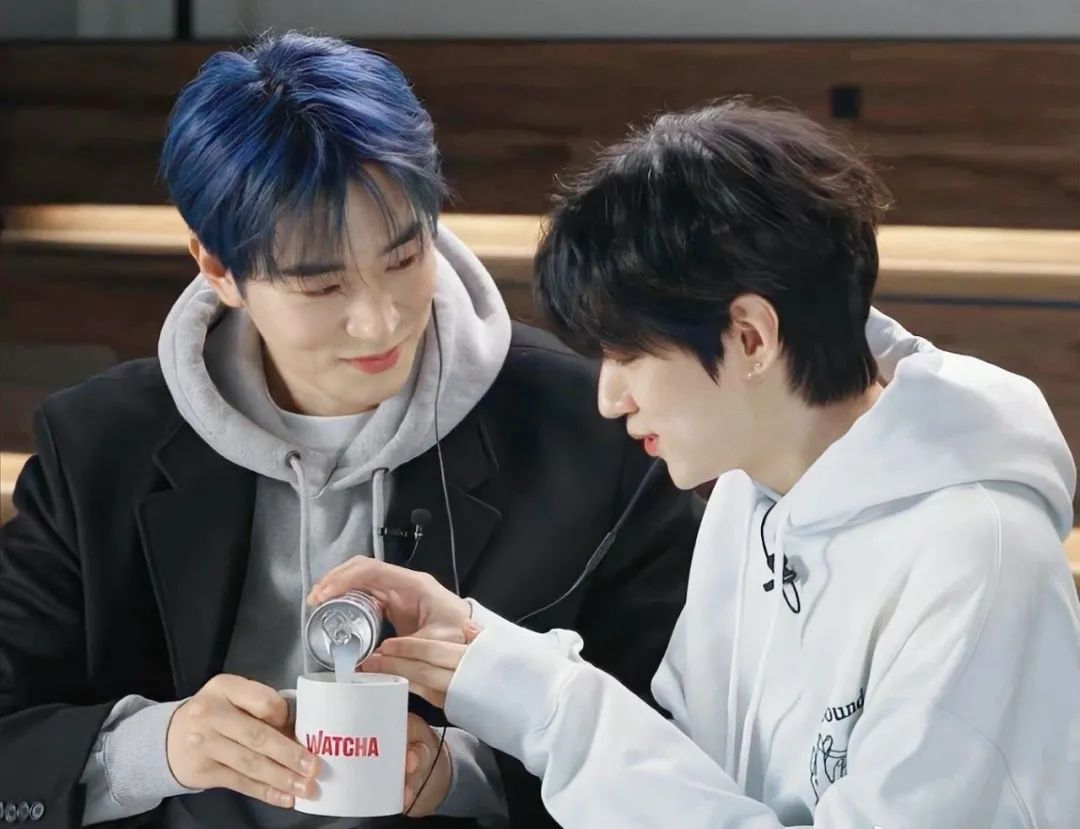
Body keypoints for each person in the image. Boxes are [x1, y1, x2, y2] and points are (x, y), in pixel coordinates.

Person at [310, 101, 1080, 828]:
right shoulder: (752, 492)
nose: (608, 397)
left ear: (751, 338)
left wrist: (548, 705)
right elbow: (698, 776)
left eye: (629, 353)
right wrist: (482, 676)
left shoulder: (978, 562)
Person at [0, 33, 702, 829]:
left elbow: (677, 753)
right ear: (218, 266)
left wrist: (461, 776)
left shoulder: (590, 431)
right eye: (322, 285)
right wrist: (152, 748)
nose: (379, 320)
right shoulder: (97, 445)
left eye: (404, 259)